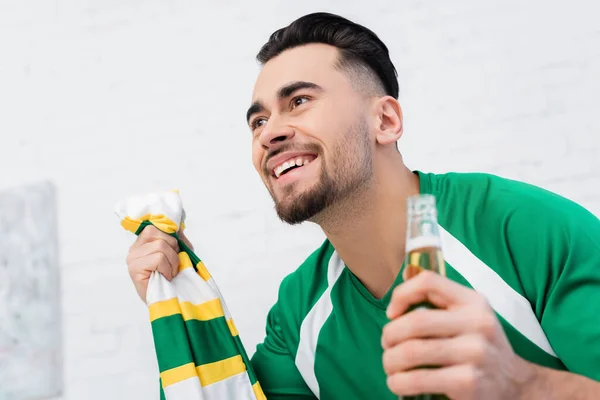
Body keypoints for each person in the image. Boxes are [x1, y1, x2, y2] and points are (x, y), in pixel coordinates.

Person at [125, 12, 600, 399]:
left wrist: (522, 385)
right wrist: (180, 297)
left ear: (386, 120)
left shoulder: (521, 229)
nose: (270, 132)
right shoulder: (298, 313)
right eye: (258, 121)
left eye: (300, 101)